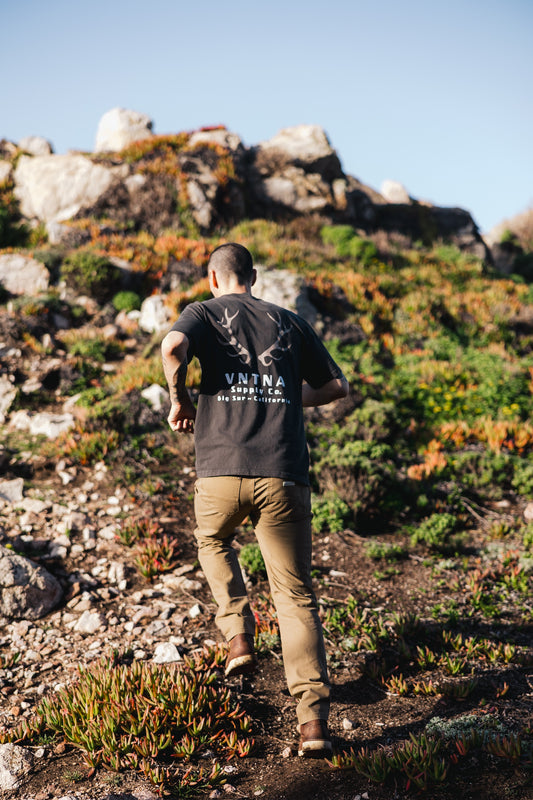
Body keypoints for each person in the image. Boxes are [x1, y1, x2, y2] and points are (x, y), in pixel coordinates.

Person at [161, 242, 349, 757]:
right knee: (295, 596)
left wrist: (179, 400)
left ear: (213, 278)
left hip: (220, 470)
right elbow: (337, 385)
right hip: (283, 474)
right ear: (254, 276)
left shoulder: (202, 311)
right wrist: (289, 394)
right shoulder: (289, 322)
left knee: (211, 540)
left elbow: (173, 348)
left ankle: (238, 632)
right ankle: (312, 722)